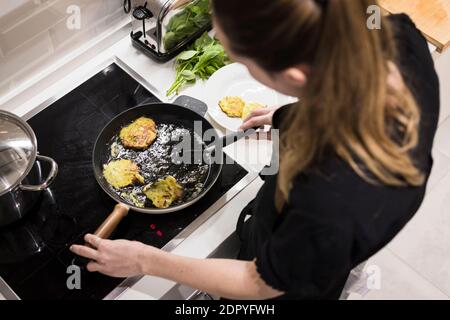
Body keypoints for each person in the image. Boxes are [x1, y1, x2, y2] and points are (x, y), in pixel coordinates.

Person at [71, 0, 440, 300]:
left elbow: (260, 284)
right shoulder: (398, 37)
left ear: (294, 75)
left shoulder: (334, 198)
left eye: (245, 64)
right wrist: (290, 115)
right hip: (306, 234)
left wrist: (146, 261)